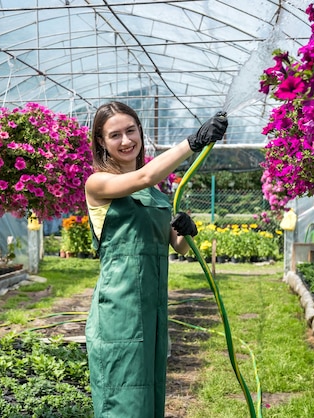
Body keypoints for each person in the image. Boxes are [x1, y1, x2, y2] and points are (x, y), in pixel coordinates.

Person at [84, 101, 228, 417]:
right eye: (115, 135)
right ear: (101, 142)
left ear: (140, 131)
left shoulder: (156, 193)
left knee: (150, 394)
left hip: (153, 308)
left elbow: (177, 247)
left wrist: (186, 230)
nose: (126, 141)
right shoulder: (98, 183)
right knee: (122, 397)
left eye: (131, 131)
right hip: (119, 309)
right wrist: (193, 142)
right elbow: (142, 177)